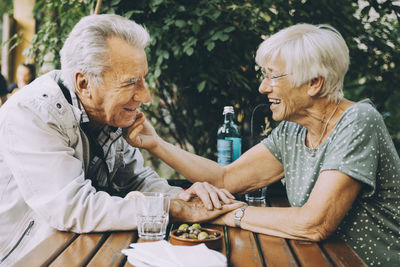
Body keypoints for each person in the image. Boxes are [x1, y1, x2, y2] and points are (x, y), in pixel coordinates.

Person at [125, 24, 400, 266]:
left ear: (314, 83)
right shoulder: (293, 131)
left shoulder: (359, 121)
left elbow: (314, 223)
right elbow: (226, 178)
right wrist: (154, 143)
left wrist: (230, 213)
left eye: (273, 76)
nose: (263, 87)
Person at [0, 14, 241, 266]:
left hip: (78, 250)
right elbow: (73, 208)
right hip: (25, 258)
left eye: (144, 78)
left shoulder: (108, 114)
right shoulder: (32, 113)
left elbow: (136, 180)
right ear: (84, 84)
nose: (145, 96)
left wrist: (183, 198)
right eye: (131, 83)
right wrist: (173, 208)